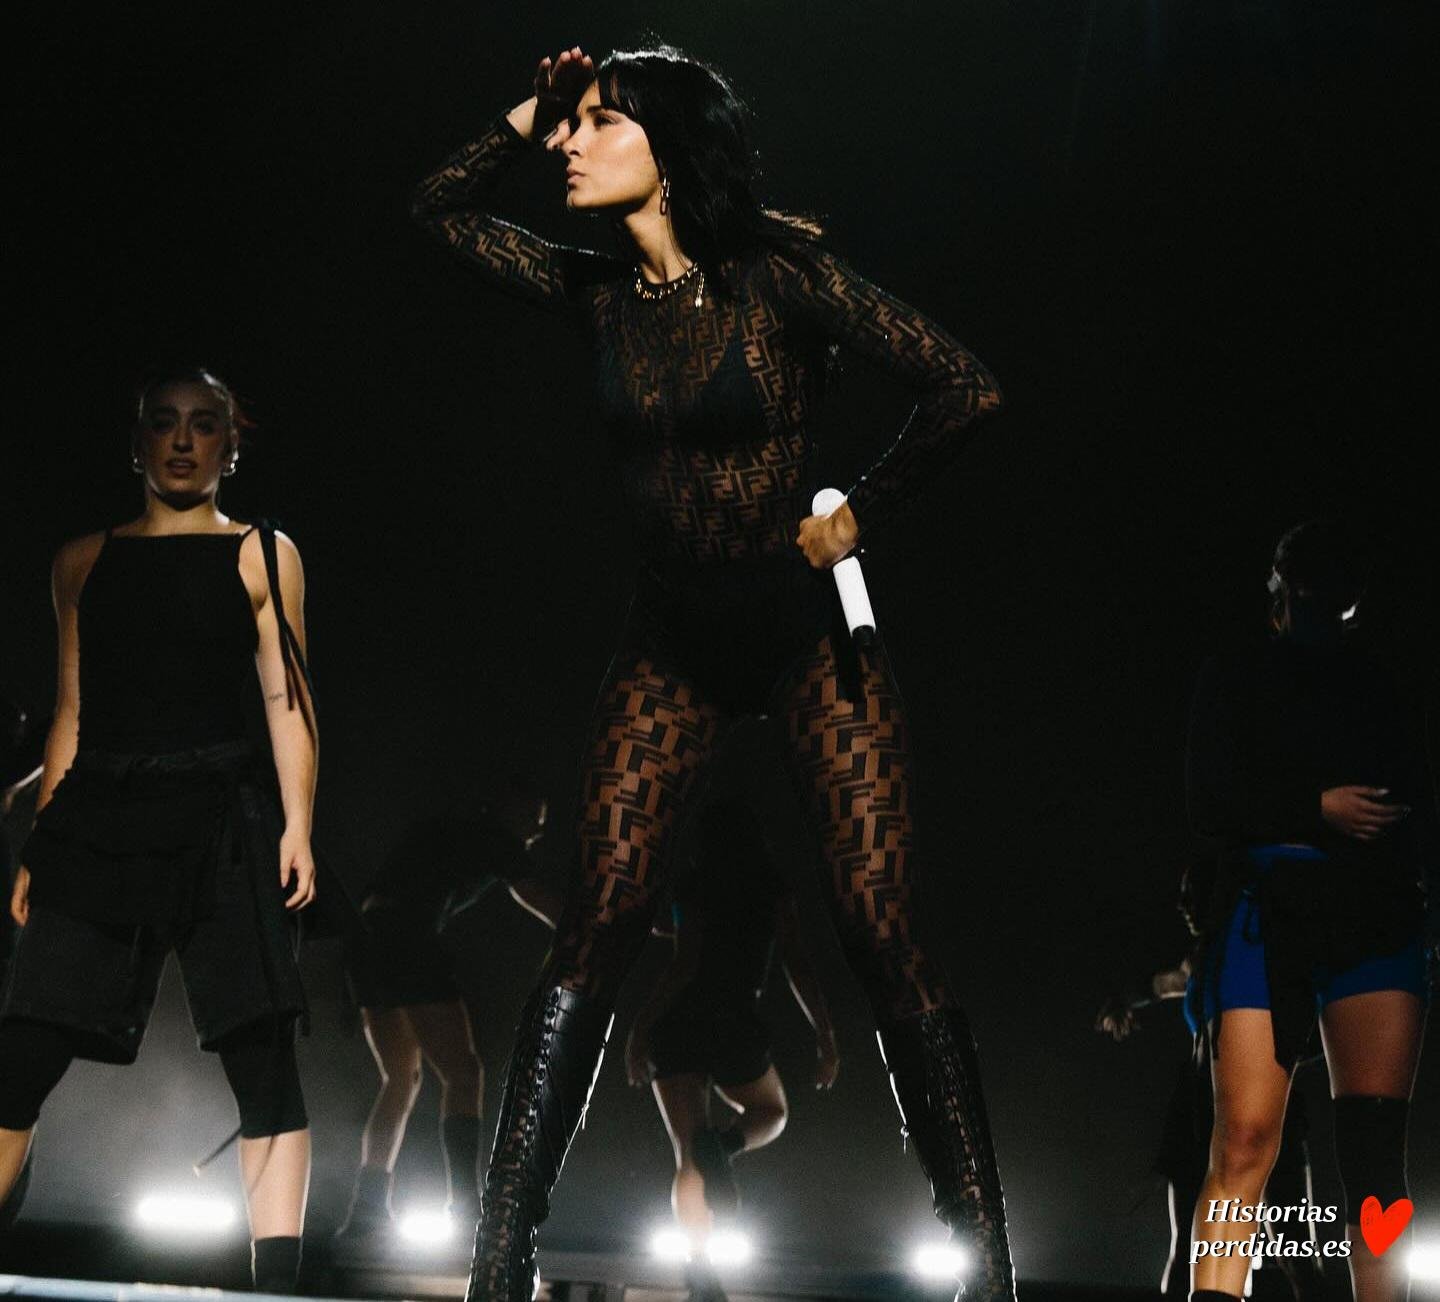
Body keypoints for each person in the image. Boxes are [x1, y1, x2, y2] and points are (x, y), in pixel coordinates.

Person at [411, 43, 1012, 1302]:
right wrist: (528, 109)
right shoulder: (591, 290)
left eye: (597, 124)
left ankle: (985, 1259)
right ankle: (500, 1259)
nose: (569, 145)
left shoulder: (780, 278)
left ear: (669, 148)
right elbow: (439, 211)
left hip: (803, 632)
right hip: (673, 636)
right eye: (568, 125)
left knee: (879, 927)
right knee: (598, 924)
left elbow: (965, 385)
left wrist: (863, 510)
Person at [0, 368, 318, 1293]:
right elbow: (71, 711)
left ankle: (279, 1288)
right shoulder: (82, 561)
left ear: (231, 445)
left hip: (223, 813)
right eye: (165, 423)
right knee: (20, 1050)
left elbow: (287, 699)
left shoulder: (263, 553)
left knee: (263, 1056)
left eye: (204, 424)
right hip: (100, 813)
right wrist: (42, 842)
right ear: (136, 441)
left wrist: (298, 823)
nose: (183, 440)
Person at [1184, 520, 1433, 1302]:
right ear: (1283, 588)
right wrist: (1312, 807)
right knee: (1243, 1140)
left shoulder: (1386, 682)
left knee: (1373, 1155)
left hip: (1374, 915)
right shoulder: (1236, 673)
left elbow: (1416, 797)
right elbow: (1208, 797)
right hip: (1268, 911)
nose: (1321, 605)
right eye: (1307, 589)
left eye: (1338, 594)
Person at [624, 797, 838, 1302]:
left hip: (681, 1024)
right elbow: (797, 961)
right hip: (733, 1020)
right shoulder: (771, 886)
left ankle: (700, 1273)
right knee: (771, 1112)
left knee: (686, 1154)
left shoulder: (694, 884)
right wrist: (825, 1035)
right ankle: (725, 1145)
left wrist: (639, 1029)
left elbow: (685, 962)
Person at [336, 785, 562, 1244]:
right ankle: (463, 1206)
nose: (536, 833)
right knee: (464, 1073)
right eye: (533, 820)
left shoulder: (448, 829)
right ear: (508, 810)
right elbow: (540, 898)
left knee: (400, 1079)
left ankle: (368, 1208)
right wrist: (593, 935)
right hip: (407, 938)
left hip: (367, 937)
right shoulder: (495, 838)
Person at [1094, 861, 1324, 1301]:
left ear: (1221, 892)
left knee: (1293, 1249)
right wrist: (1122, 1000)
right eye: (1182, 894)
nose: (1184, 905)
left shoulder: (1263, 950)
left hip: (1261, 1105)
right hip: (1199, 1112)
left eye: (1194, 892)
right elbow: (1161, 984)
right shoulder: (1202, 960)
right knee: (1190, 1247)